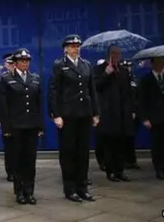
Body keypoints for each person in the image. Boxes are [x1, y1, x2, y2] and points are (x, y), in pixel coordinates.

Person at [48, 34, 99, 203]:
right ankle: (70, 189)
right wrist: (56, 115)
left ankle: (82, 187)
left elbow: (92, 90)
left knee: (83, 152)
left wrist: (95, 113)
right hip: (68, 115)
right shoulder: (59, 65)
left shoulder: (86, 65)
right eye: (72, 46)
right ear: (65, 48)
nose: (75, 48)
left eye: (78, 45)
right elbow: (54, 91)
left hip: (84, 114)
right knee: (68, 152)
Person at [0, 48, 43, 204]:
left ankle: (29, 191)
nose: (25, 63)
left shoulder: (35, 78)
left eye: (27, 60)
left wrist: (40, 126)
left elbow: (38, 104)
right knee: (17, 161)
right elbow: (3, 106)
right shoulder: (6, 78)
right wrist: (6, 127)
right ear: (15, 63)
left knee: (30, 161)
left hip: (31, 125)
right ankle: (19, 192)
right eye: (22, 61)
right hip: (16, 126)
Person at [93, 46, 134, 182]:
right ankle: (110, 171)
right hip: (108, 113)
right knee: (109, 144)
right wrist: (106, 74)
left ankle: (120, 170)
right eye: (113, 54)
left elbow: (128, 92)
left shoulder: (123, 71)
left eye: (118, 54)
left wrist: (130, 110)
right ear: (108, 55)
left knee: (121, 143)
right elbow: (95, 87)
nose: (116, 56)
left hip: (122, 113)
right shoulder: (99, 69)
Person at [138, 57, 164, 180]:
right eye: (158, 62)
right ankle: (159, 169)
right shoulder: (146, 80)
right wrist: (145, 118)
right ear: (152, 64)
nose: (161, 65)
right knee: (157, 145)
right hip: (154, 118)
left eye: (162, 62)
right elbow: (141, 100)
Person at [0, 52, 15, 181]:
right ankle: (10, 171)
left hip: (19, 118)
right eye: (9, 63)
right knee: (9, 147)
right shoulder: (1, 79)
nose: (11, 65)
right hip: (6, 118)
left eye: (13, 63)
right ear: (5, 64)